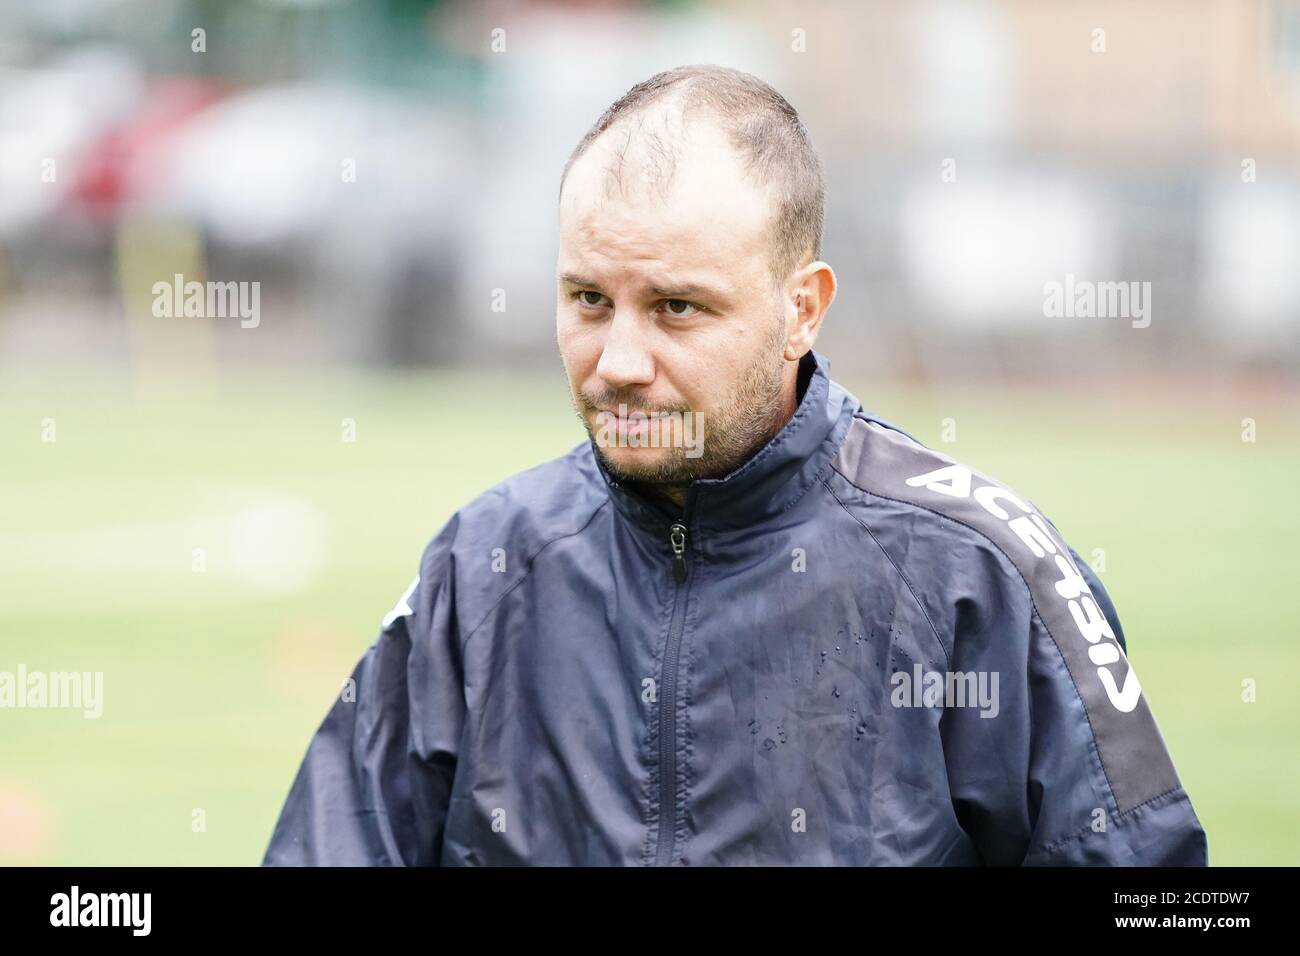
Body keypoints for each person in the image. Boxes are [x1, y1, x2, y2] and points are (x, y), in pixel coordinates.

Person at [263, 64, 1207, 866]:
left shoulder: (981, 577)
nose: (619, 362)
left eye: (677, 307)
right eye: (589, 298)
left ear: (802, 309)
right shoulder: (485, 568)